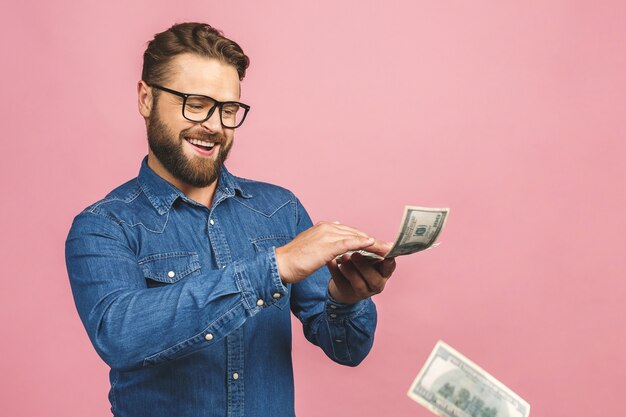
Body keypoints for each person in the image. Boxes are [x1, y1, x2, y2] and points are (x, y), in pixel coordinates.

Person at [65, 22, 396, 417]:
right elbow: (121, 335)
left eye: (227, 109)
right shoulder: (103, 226)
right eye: (197, 104)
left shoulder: (280, 209)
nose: (215, 126)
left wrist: (346, 299)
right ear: (145, 99)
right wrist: (275, 267)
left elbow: (348, 350)